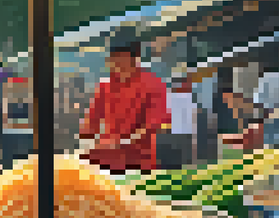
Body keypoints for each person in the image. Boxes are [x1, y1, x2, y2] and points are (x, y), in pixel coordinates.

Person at [81, 41, 169, 173]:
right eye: (114, 60)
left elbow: (154, 124)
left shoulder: (153, 84)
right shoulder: (105, 85)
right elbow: (91, 121)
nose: (117, 65)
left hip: (138, 162)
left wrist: (122, 143)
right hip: (104, 160)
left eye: (122, 60)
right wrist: (86, 144)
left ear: (135, 59)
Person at [162, 70, 198, 170]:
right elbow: (191, 119)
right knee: (184, 161)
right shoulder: (186, 97)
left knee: (174, 161)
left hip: (173, 132)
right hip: (182, 133)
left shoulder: (169, 96)